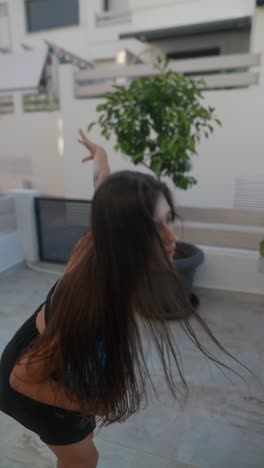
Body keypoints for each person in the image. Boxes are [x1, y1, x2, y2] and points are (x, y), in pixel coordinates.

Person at [0, 130, 242, 468]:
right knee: (84, 458)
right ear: (125, 234)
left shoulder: (104, 237)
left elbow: (103, 184)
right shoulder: (93, 301)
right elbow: (21, 378)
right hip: (35, 384)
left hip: (59, 364)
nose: (171, 238)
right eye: (152, 228)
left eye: (167, 220)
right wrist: (87, 402)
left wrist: (101, 155)